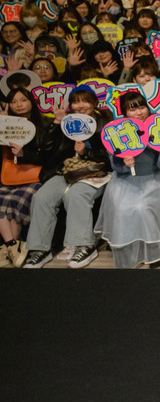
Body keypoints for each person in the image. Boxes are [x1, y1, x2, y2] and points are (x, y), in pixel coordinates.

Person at [22, 88, 110, 269]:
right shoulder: (65, 122)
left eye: (85, 101)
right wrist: (56, 123)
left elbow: (109, 156)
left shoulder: (104, 122)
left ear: (94, 103)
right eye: (76, 101)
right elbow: (45, 150)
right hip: (66, 172)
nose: (80, 105)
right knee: (42, 197)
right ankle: (39, 249)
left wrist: (87, 152)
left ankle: (85, 245)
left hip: (95, 172)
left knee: (76, 195)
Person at [94, 91, 160, 268]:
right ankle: (126, 254)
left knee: (141, 208)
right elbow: (115, 165)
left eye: (142, 107)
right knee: (123, 210)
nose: (140, 112)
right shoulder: (117, 131)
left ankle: (153, 255)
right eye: (133, 109)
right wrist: (125, 164)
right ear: (124, 113)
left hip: (152, 180)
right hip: (124, 181)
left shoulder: (157, 127)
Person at [0, 88, 55, 266]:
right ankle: (12, 246)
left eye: (23, 100)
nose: (19, 104)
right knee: (2, 200)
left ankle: (8, 248)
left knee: (17, 201)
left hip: (35, 176)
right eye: (14, 101)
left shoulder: (45, 124)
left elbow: (48, 156)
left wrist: (24, 154)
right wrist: (3, 122)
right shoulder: (5, 124)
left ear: (31, 101)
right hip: (9, 174)